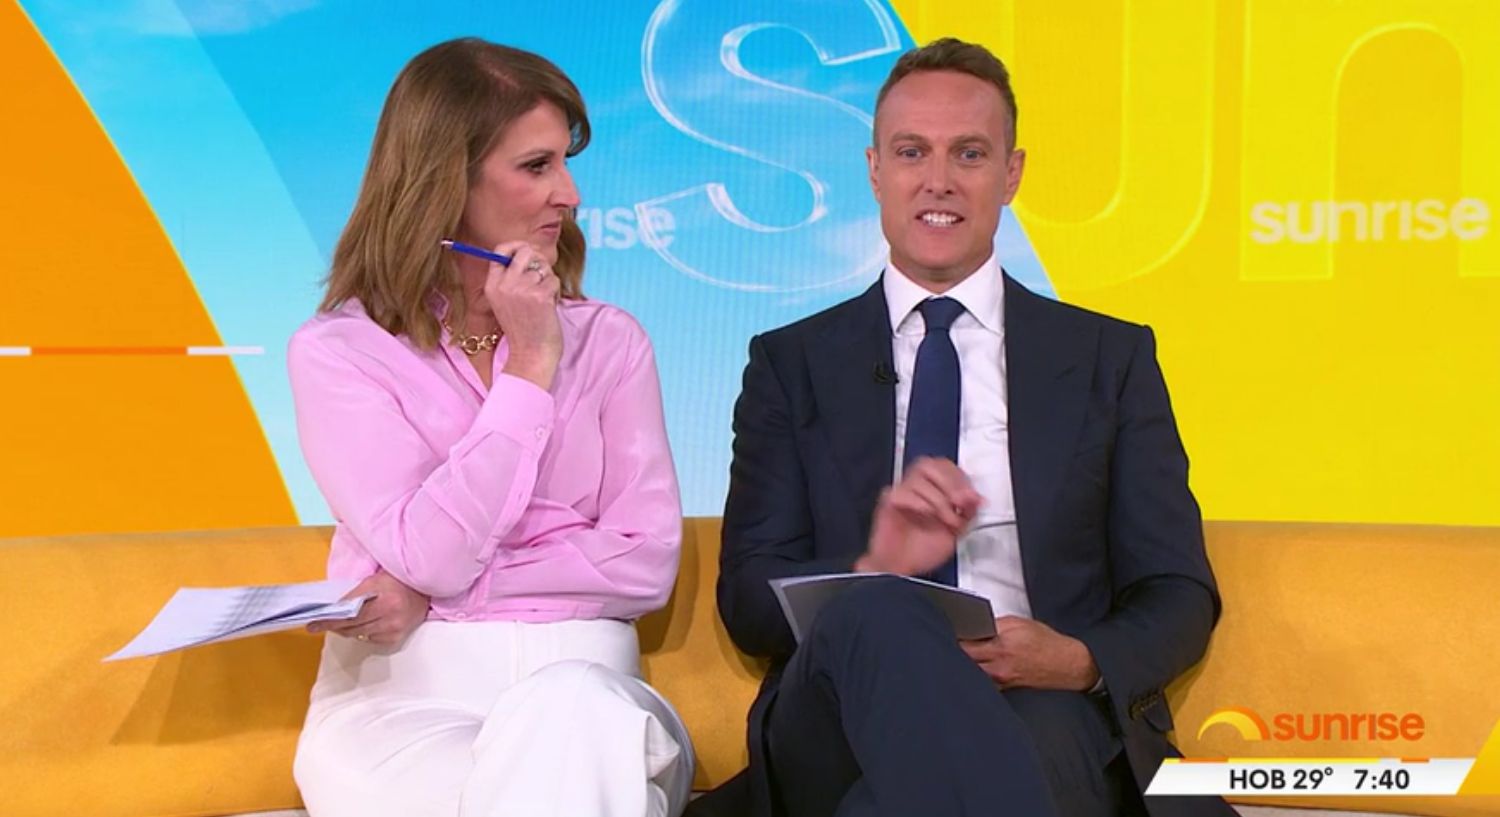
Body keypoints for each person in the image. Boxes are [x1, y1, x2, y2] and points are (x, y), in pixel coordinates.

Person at [695, 38, 1231, 817]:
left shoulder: (1108, 358)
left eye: (969, 154)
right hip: (836, 715)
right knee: (882, 607)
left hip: (1041, 702)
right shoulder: (791, 363)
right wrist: (876, 567)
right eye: (912, 151)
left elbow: (1176, 588)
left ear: (1011, 173)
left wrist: (1077, 659)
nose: (938, 180)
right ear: (875, 169)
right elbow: (749, 598)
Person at [286, 38, 692, 817]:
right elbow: (431, 550)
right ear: (446, 180)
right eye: (537, 166)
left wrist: (435, 592)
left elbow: (645, 565)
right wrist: (530, 368)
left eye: (566, 163)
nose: (569, 193)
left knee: (572, 708)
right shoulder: (340, 352)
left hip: (598, 701)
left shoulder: (612, 342)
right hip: (402, 713)